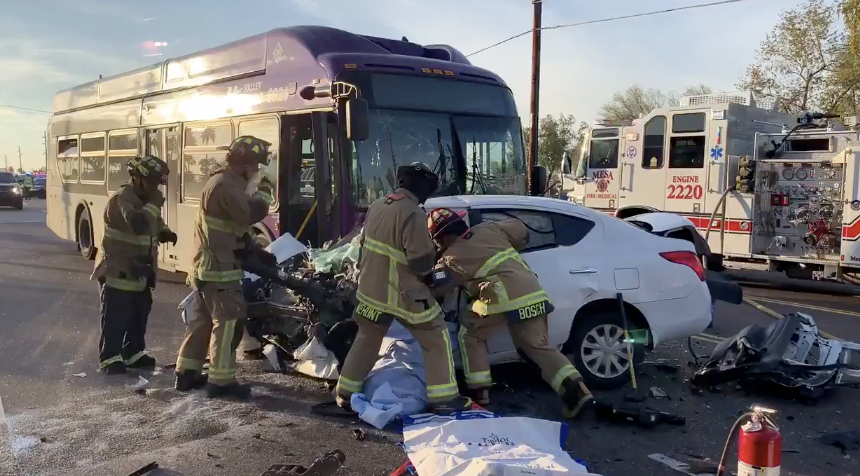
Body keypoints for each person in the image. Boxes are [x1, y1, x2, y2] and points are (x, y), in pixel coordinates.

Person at [426, 208, 594, 418]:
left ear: (440, 238)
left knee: (471, 333)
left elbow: (439, 285)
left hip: (498, 300)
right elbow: (521, 230)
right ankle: (577, 392)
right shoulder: (489, 228)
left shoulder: (450, 257)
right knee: (537, 347)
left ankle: (480, 392)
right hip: (533, 293)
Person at [334, 163, 474, 414]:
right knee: (436, 335)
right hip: (403, 293)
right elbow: (420, 262)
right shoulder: (413, 213)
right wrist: (435, 261)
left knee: (367, 337)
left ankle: (345, 394)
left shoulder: (379, 204)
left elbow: (366, 244)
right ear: (421, 187)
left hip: (371, 291)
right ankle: (443, 399)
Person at [174, 135, 276, 399]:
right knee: (228, 321)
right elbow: (250, 214)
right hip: (219, 268)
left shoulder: (227, 183)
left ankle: (187, 373)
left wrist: (256, 248)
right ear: (243, 163)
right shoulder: (225, 186)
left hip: (208, 266)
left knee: (204, 323)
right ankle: (221, 382)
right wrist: (267, 188)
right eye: (256, 167)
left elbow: (235, 226)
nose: (257, 172)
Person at [91, 155, 177, 374]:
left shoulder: (146, 202)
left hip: (140, 270)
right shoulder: (122, 199)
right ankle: (110, 357)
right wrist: (155, 204)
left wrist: (165, 232)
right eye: (152, 182)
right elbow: (138, 224)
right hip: (118, 270)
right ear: (138, 179)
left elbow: (153, 223)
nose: (156, 188)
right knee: (116, 315)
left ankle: (133, 353)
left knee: (139, 312)